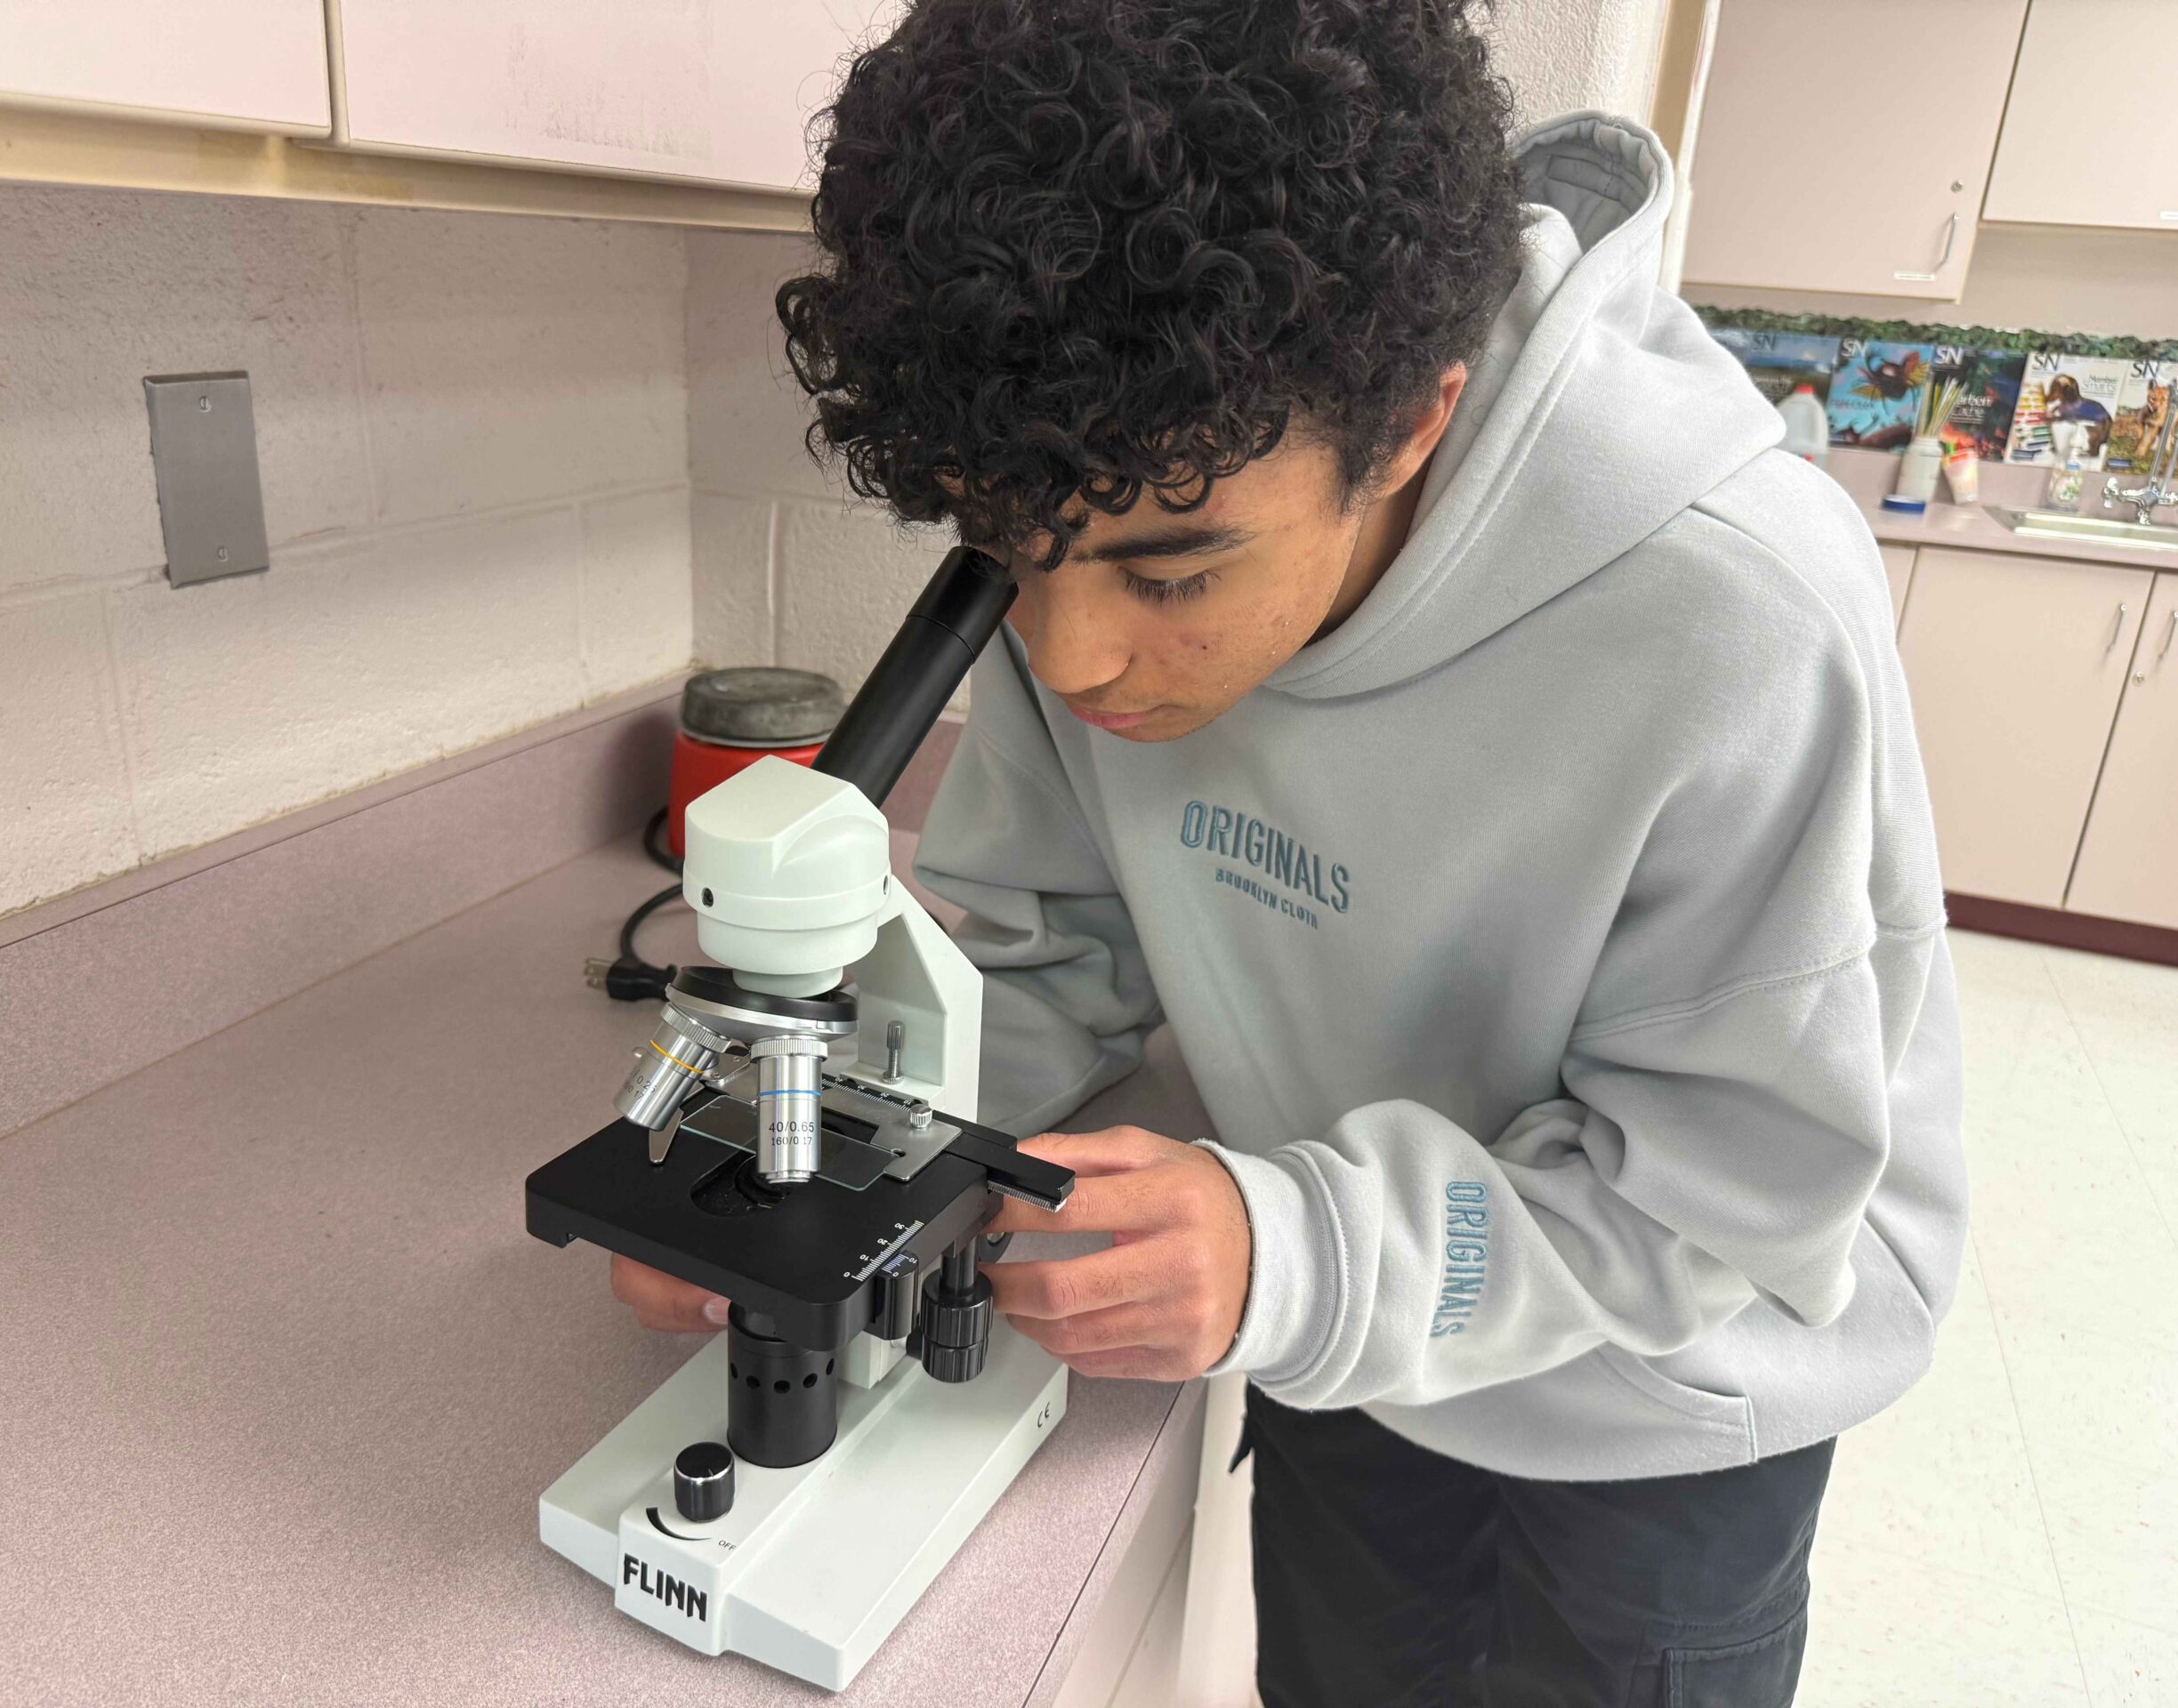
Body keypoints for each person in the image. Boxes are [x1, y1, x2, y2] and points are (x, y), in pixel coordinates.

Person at [609, 3, 1967, 1703]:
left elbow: (1723, 1205)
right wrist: (799, 1182)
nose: (1075, 653)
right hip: (1340, 1343)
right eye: (1011, 555)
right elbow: (1041, 958)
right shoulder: (1077, 563)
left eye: (1172, 573)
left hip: (1665, 1405)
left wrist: (1301, 1254)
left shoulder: (1736, 619)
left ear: (1412, 425)